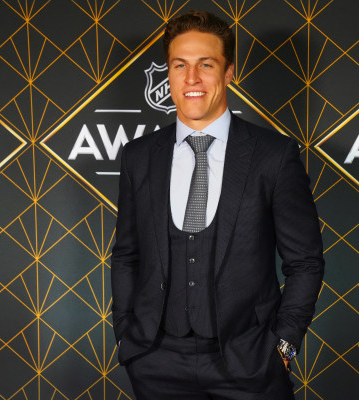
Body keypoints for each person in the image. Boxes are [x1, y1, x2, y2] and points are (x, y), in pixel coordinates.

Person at [111, 10, 324, 400]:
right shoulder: (139, 156)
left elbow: (305, 262)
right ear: (169, 73)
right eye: (180, 65)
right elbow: (127, 253)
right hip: (156, 362)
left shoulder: (273, 155)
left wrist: (284, 345)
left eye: (206, 65)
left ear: (228, 73)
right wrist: (126, 335)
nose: (191, 78)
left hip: (250, 361)